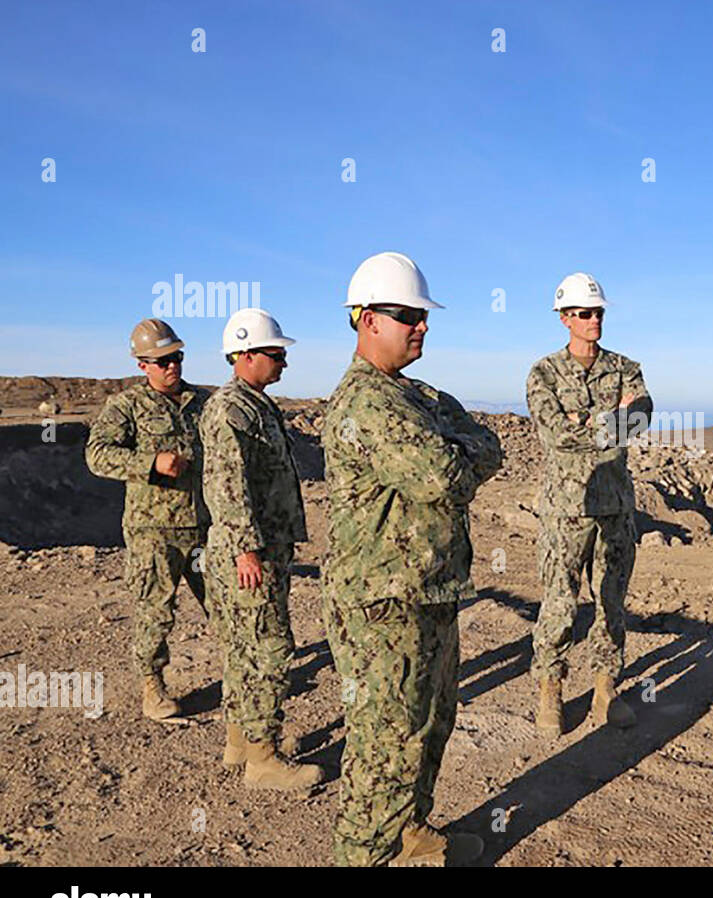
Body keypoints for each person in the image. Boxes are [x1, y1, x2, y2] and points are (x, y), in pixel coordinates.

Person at [324, 252, 502, 866]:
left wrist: (461, 448)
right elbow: (443, 473)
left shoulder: (418, 394)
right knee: (386, 746)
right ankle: (363, 856)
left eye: (423, 316)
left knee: (431, 724)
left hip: (432, 589)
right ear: (368, 320)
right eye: (407, 316)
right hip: (384, 603)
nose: (421, 326)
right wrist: (458, 451)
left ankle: (410, 834)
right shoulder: (366, 404)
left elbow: (489, 445)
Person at [525, 272, 653, 738]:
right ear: (564, 318)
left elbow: (640, 419)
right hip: (566, 507)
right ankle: (550, 689)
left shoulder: (625, 367)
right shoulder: (543, 373)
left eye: (597, 311)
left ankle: (605, 689)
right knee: (560, 602)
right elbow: (554, 433)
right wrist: (609, 418)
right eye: (583, 313)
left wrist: (588, 419)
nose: (593, 319)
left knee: (610, 601)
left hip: (615, 505)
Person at [201, 307, 320, 790]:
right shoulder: (232, 409)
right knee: (269, 649)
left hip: (259, 547)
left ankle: (242, 741)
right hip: (252, 554)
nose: (283, 363)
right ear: (245, 354)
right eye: (275, 354)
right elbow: (226, 486)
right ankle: (264, 759)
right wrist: (246, 550)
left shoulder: (254, 404)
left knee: (242, 650)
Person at [86, 318, 208, 721]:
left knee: (227, 606)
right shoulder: (126, 407)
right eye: (162, 361)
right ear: (142, 365)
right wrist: (150, 463)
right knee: (155, 611)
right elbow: (97, 455)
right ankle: (152, 687)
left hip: (204, 527)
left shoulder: (202, 403)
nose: (172, 366)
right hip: (153, 531)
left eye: (176, 357)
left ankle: (247, 681)